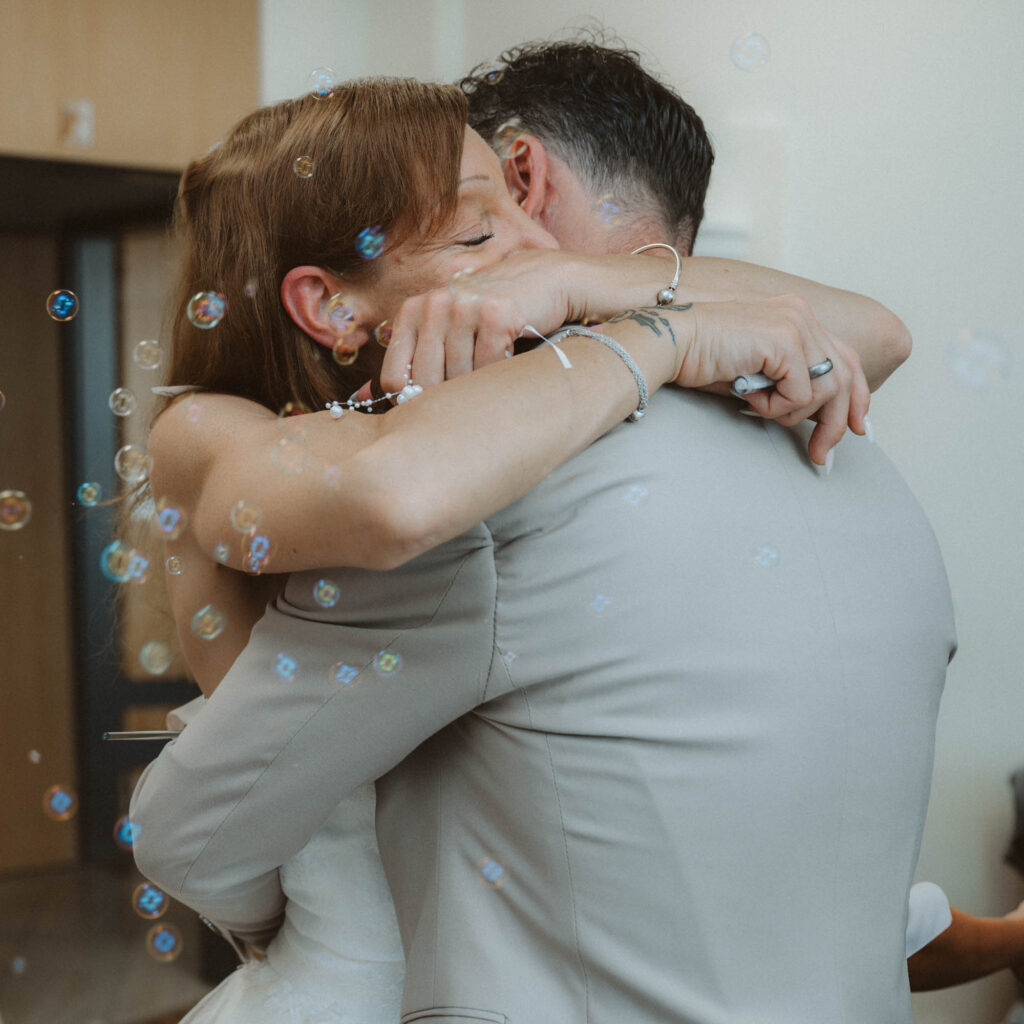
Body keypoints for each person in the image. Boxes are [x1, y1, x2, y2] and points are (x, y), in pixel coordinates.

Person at [129, 50, 943, 1024]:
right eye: (480, 226)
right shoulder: (850, 454)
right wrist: (658, 332)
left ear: (535, 177)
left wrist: (606, 304)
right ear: (326, 305)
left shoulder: (506, 483)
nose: (521, 248)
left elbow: (197, 834)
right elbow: (392, 489)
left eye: (520, 215)